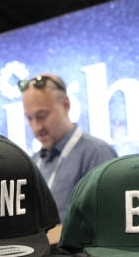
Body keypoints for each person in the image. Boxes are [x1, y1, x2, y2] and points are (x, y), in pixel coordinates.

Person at [21, 73, 117, 223]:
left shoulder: (97, 153)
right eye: (29, 118)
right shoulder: (33, 163)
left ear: (66, 105)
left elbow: (108, 222)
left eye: (42, 115)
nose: (36, 127)